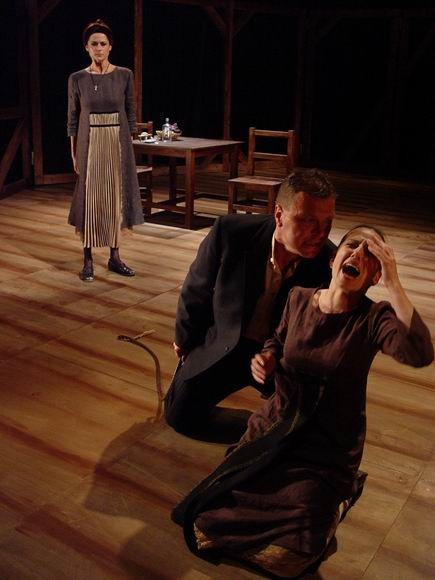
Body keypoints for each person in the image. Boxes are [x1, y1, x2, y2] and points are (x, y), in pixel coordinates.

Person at [171, 225, 433, 578]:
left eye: (370, 255)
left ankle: (332, 501)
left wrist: (395, 283)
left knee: (291, 553)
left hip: (327, 444)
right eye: (353, 246)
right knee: (208, 521)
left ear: (375, 276)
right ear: (333, 260)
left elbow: (419, 352)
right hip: (277, 423)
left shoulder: (374, 318)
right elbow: (276, 342)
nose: (358, 255)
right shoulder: (298, 297)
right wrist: (267, 359)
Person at [165, 169, 337, 439]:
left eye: (328, 222)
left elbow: (323, 336)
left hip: (278, 358)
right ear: (279, 215)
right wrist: (185, 340)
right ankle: (261, 431)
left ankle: (276, 429)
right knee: (179, 414)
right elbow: (196, 290)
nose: (320, 233)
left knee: (313, 429)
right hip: (227, 345)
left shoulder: (328, 260)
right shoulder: (231, 232)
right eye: (308, 221)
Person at [67, 19, 144, 282]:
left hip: (116, 143)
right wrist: (74, 153)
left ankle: (114, 256)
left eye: (103, 43)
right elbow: (72, 120)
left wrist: (129, 148)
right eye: (94, 44)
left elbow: (131, 113)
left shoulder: (124, 75)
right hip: (90, 144)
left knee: (114, 199)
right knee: (90, 200)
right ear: (86, 47)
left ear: (110, 46)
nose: (98, 48)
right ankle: (88, 259)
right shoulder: (77, 78)